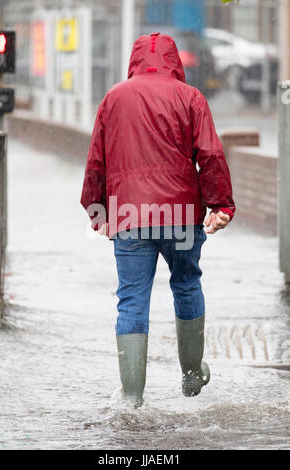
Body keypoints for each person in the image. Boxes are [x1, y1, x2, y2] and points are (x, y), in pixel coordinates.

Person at [81, 33, 235, 408]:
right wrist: (221, 205)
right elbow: (210, 154)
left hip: (130, 215)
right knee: (185, 284)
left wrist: (95, 208)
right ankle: (191, 375)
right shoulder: (190, 97)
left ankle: (133, 398)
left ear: (134, 59)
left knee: (132, 298)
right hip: (181, 214)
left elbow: (97, 158)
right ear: (174, 61)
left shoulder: (114, 98)